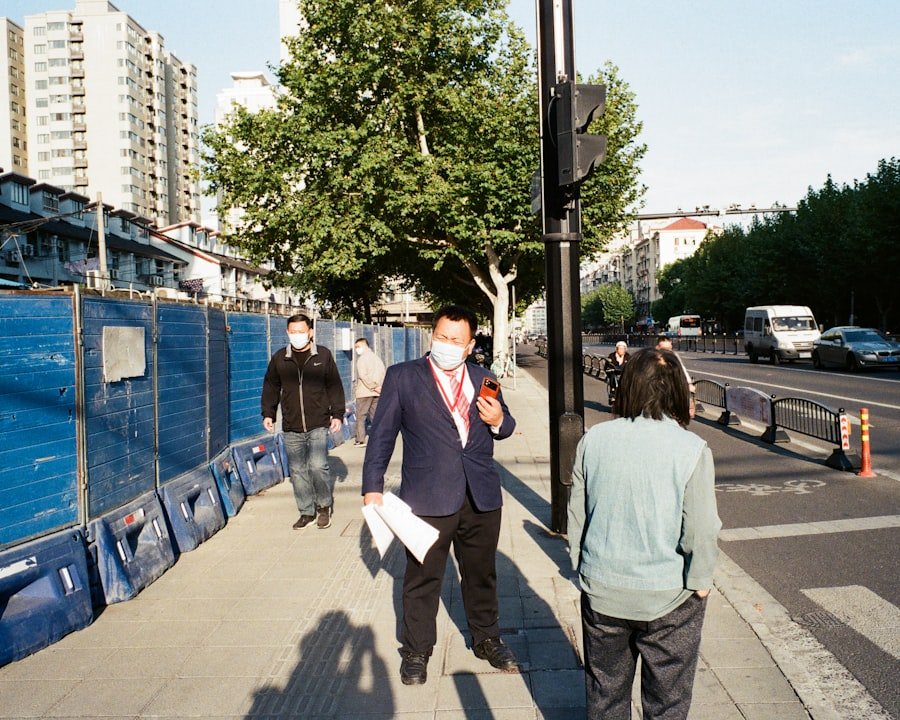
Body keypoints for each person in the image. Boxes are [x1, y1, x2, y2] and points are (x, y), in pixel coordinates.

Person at [362, 305, 518, 686]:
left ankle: (487, 639)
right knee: (422, 578)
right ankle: (416, 651)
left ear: (469, 346)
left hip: (480, 496)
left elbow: (507, 423)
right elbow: (381, 436)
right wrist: (372, 487)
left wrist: (498, 421)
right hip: (428, 496)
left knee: (482, 574)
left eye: (456, 341)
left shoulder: (484, 378)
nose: (447, 345)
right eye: (442, 337)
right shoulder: (403, 377)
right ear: (433, 336)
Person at [567, 348, 721, 720]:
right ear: (679, 394)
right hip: (670, 597)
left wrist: (582, 568)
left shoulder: (594, 440)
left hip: (603, 591)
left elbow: (577, 515)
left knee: (605, 694)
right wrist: (700, 580)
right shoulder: (692, 449)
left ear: (628, 388)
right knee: (667, 700)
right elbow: (700, 529)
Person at [261, 314, 345, 530]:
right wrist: (268, 413)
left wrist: (337, 414)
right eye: (293, 332)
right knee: (298, 471)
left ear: (310, 332)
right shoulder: (280, 358)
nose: (297, 335)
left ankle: (324, 506)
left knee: (318, 466)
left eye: (301, 331)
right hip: (291, 424)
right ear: (287, 333)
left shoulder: (323, 355)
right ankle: (306, 511)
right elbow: (271, 386)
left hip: (318, 422)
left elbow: (334, 386)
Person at [353, 337, 386, 447]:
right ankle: (380, 438)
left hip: (364, 392)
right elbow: (383, 373)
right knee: (375, 416)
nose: (356, 349)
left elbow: (363, 375)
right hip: (377, 392)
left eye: (357, 347)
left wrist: (373, 386)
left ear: (362, 346)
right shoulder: (377, 359)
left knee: (360, 416)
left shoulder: (362, 359)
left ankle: (360, 440)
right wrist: (379, 387)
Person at [656, 334, 696, 417]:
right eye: (664, 349)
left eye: (669, 349)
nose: (668, 352)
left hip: (673, 387)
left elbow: (682, 369)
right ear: (658, 347)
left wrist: (689, 383)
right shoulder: (654, 357)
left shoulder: (674, 356)